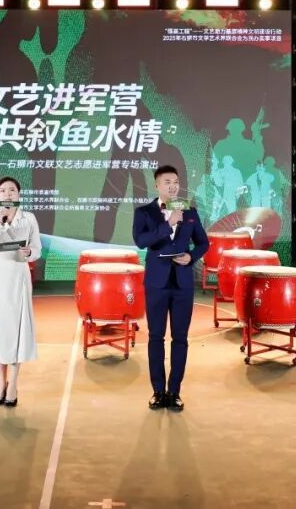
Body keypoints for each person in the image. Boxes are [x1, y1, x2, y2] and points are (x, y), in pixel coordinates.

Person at [132, 165, 209, 411]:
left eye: (175, 182)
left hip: (182, 283)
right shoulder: (144, 212)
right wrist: (168, 223)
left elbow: (203, 243)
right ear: (157, 185)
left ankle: (174, 391)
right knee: (155, 337)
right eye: (167, 182)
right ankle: (158, 391)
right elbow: (141, 241)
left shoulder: (190, 211)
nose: (173, 186)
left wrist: (191, 257)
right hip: (156, 283)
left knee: (180, 338)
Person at [0, 176, 41, 408]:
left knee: (15, 330)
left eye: (12, 190)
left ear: (19, 194)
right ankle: (0, 384)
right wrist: (0, 223)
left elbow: (37, 249)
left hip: (18, 276)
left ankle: (13, 384)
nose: (7, 194)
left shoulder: (29, 218)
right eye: (3, 190)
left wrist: (29, 253)